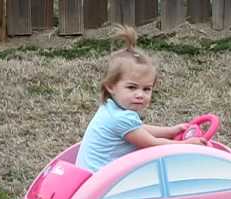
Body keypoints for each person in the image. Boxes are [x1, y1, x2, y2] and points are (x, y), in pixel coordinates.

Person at [76, 25, 206, 172]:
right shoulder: (120, 118)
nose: (140, 94)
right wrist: (187, 145)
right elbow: (153, 144)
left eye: (146, 89)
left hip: (89, 175)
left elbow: (138, 129)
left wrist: (171, 131)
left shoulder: (111, 109)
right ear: (111, 86)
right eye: (132, 88)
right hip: (101, 182)